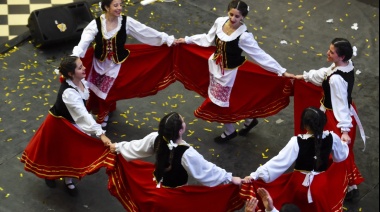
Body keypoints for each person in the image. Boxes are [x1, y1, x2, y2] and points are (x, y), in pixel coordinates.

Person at [175, 0, 294, 143]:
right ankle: (249, 121)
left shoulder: (244, 36)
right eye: (231, 14)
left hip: (230, 74)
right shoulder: (220, 22)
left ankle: (229, 131)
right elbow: (207, 38)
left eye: (237, 16)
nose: (232, 19)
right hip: (216, 67)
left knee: (221, 102)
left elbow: (259, 54)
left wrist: (281, 70)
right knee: (233, 99)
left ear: (243, 17)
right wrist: (188, 40)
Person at [72, 0, 175, 128]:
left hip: (116, 64)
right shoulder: (96, 24)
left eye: (121, 5)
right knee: (96, 89)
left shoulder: (126, 22)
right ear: (106, 7)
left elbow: (145, 32)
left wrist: (167, 39)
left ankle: (103, 115)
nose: (119, 8)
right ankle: (105, 111)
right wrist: (75, 57)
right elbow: (84, 41)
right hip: (98, 63)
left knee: (107, 91)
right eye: (115, 5)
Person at [20, 56, 112, 196]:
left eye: (82, 66)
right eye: (80, 67)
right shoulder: (69, 93)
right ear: (71, 73)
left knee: (71, 154)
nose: (84, 68)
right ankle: (49, 175)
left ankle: (68, 180)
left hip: (73, 123)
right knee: (55, 152)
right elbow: (82, 114)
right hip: (59, 124)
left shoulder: (79, 82)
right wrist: (101, 134)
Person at [294, 38, 365, 201]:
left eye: (332, 52)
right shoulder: (345, 65)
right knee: (339, 152)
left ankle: (348, 186)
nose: (328, 53)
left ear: (341, 56)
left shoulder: (336, 79)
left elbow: (339, 103)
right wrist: (304, 76)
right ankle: (349, 185)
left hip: (336, 117)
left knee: (335, 152)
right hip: (343, 112)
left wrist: (345, 130)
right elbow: (325, 73)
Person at [242, 107, 349, 211]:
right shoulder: (332, 138)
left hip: (299, 185)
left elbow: (279, 162)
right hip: (321, 185)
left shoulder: (297, 142)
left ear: (306, 126)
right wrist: (344, 143)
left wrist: (255, 175)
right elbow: (340, 157)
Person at [109, 112, 241, 188]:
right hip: (176, 193)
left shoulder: (155, 138)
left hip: (156, 185)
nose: (184, 121)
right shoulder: (186, 153)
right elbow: (206, 170)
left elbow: (135, 147)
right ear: (180, 130)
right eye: (183, 121)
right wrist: (229, 178)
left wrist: (118, 147)